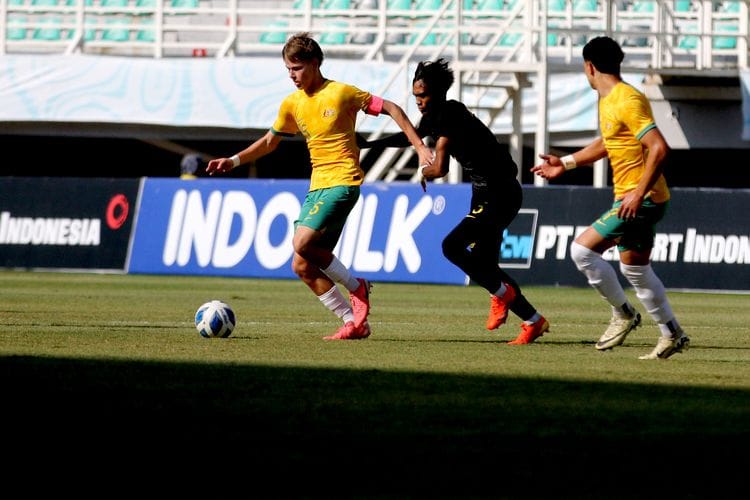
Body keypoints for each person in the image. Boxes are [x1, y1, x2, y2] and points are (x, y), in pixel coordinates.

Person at [206, 32, 433, 340]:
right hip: (317, 188)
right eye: (288, 69)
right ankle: (354, 322)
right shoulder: (292, 104)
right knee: (302, 265)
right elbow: (270, 142)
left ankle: (357, 286)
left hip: (344, 182)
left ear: (314, 63)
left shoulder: (341, 94)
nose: (292, 75)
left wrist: (419, 146)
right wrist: (232, 161)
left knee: (300, 242)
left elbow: (392, 107)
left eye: (296, 68)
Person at [359, 58, 549, 345]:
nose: (419, 102)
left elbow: (440, 169)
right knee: (485, 265)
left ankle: (504, 295)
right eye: (416, 97)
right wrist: (371, 144)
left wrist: (424, 172)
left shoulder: (449, 116)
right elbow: (410, 136)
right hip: (484, 192)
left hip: (501, 192)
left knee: (452, 246)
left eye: (423, 96)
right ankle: (526, 315)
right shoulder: (439, 114)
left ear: (436, 93)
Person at [531, 36, 689, 360]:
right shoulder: (609, 99)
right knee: (636, 271)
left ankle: (624, 314)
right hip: (646, 197)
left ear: (589, 67)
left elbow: (660, 147)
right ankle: (671, 333)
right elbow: (609, 142)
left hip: (641, 199)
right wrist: (566, 163)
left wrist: (637, 193)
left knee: (581, 251)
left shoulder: (627, 99)